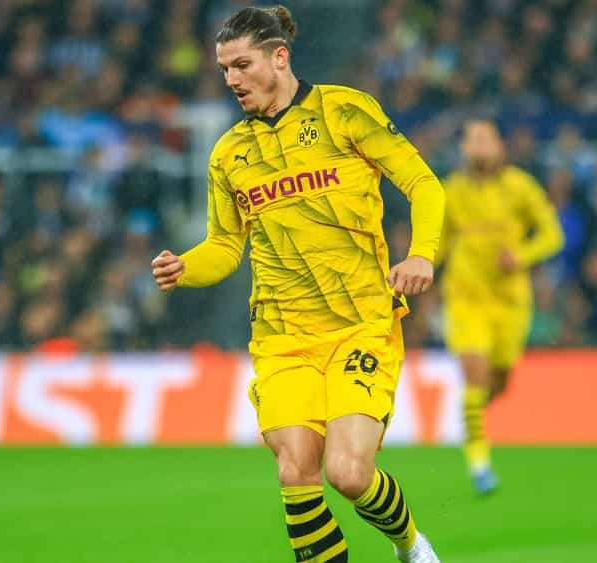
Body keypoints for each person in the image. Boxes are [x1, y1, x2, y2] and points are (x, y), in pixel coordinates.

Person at [151, 6, 444, 562]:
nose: (231, 79)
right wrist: (186, 267)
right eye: (224, 69)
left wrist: (422, 254)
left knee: (349, 473)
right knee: (296, 471)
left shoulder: (344, 111)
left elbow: (424, 185)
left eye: (242, 65)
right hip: (282, 338)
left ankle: (410, 546)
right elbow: (225, 247)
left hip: (360, 323)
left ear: (279, 57)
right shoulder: (229, 154)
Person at [438, 119, 564, 495]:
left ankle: (472, 413)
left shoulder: (520, 187)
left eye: (485, 139)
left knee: (499, 382)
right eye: (472, 139)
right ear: (464, 149)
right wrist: (417, 267)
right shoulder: (451, 191)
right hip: (465, 297)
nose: (478, 146)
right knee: (475, 374)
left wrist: (522, 256)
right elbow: (438, 243)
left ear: (500, 147)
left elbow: (552, 235)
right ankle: (479, 464)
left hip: (510, 302)